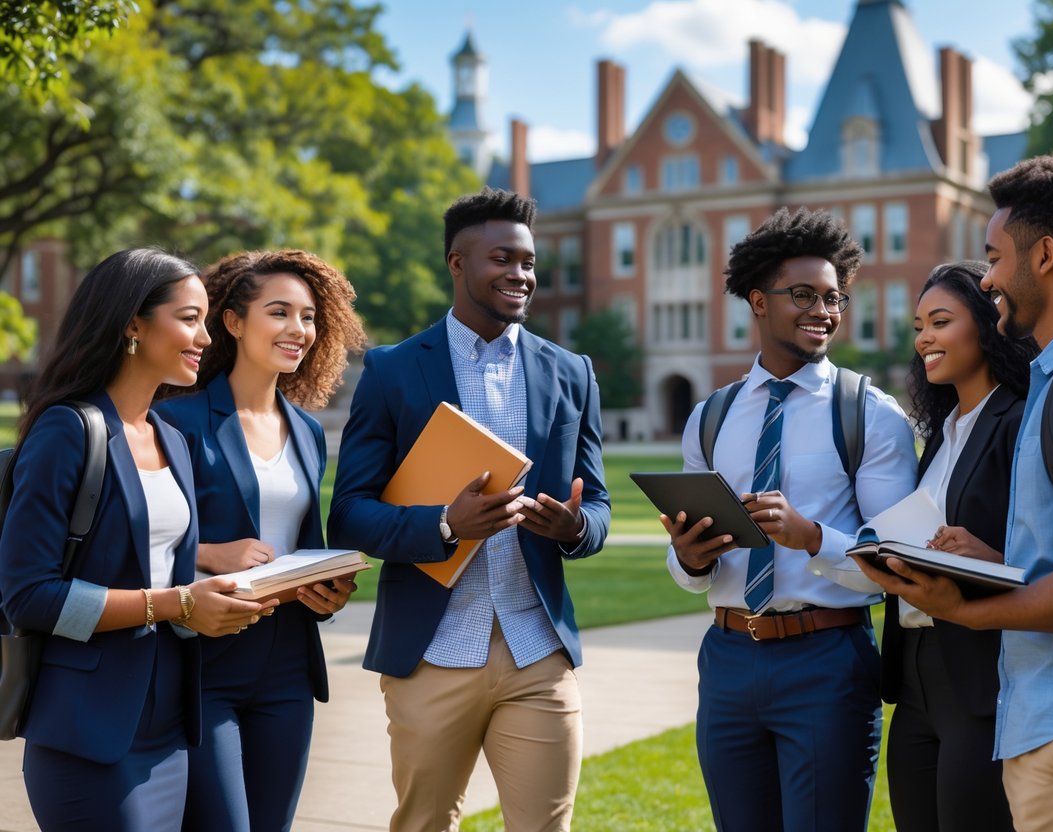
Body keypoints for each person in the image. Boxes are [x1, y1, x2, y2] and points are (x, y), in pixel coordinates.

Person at [855, 154, 1053, 832]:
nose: (991, 278)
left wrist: (968, 611)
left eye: (994, 257)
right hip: (1048, 719)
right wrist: (983, 559)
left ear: (1045, 256)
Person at [327, 187, 611, 832]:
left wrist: (573, 528)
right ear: (457, 263)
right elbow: (347, 516)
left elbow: (595, 505)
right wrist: (446, 526)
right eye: (502, 258)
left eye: (529, 263)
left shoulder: (572, 373)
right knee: (424, 823)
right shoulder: (395, 370)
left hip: (537, 650)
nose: (520, 274)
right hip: (430, 651)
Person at [662, 207, 918, 831]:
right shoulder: (710, 417)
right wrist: (690, 557)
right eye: (803, 295)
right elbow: (688, 569)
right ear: (757, 300)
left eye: (834, 297)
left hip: (826, 658)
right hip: (726, 656)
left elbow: (901, 560)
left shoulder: (871, 414)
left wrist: (812, 538)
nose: (823, 310)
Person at [0, 248, 272, 830]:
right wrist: (174, 603)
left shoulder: (170, 440)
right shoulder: (66, 432)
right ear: (132, 323)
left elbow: (165, 578)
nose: (204, 336)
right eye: (189, 318)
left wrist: (211, 601)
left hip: (171, 723)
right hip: (88, 732)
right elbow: (29, 596)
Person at [154, 249, 367, 832]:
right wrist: (204, 553)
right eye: (279, 312)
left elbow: (304, 541)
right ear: (232, 322)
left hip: (287, 665)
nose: (298, 330)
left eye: (308, 317)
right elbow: (130, 537)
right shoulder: (176, 421)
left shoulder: (305, 430)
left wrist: (328, 586)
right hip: (204, 659)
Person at [880, 261, 1037, 832]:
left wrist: (991, 557)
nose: (924, 337)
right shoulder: (943, 432)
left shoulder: (1020, 421)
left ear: (989, 322)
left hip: (979, 675)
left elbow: (1047, 554)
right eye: (919, 324)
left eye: (940, 321)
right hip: (916, 674)